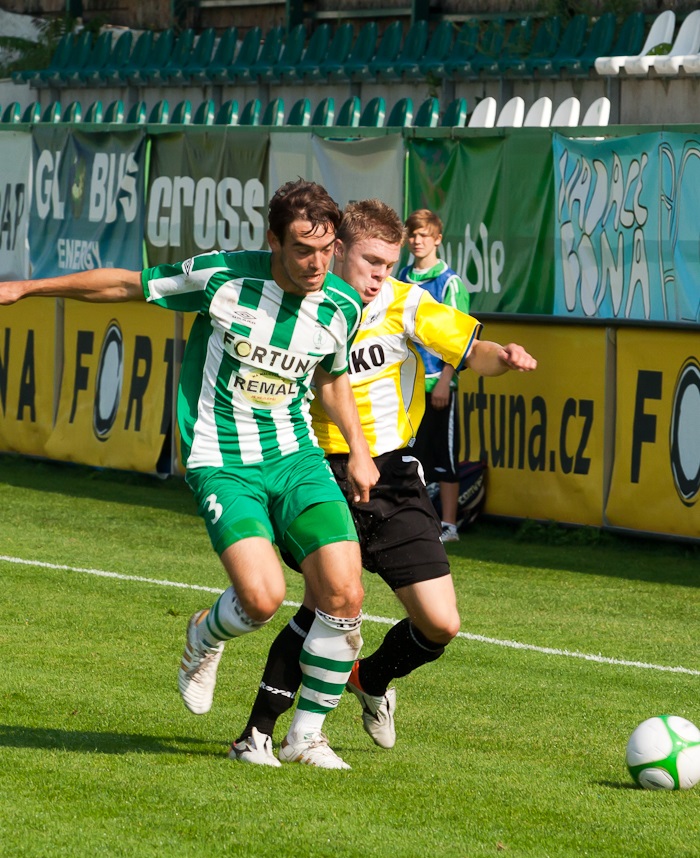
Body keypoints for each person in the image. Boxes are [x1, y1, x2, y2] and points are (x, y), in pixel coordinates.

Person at [0, 179, 379, 772]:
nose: (318, 263)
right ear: (273, 240)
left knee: (345, 594)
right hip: (222, 458)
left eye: (327, 249)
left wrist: (358, 449)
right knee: (262, 599)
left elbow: (331, 378)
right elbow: (126, 284)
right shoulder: (224, 278)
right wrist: (28, 286)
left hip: (297, 457)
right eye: (304, 249)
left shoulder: (341, 303)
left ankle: (306, 736)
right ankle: (205, 635)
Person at [230, 199, 537, 765]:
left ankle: (371, 679)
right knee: (326, 603)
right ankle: (262, 734)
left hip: (393, 475)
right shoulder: (304, 303)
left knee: (441, 623)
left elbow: (471, 351)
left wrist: (505, 355)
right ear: (338, 250)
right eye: (371, 261)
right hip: (314, 466)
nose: (380, 276)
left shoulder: (407, 304)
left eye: (389, 266)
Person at [398, 209, 471, 544]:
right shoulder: (400, 275)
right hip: (403, 384)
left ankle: (449, 525)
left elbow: (459, 338)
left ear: (437, 239)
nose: (417, 241)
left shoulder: (450, 283)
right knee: (408, 455)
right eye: (412, 234)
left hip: (435, 383)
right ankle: (413, 521)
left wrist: (445, 379)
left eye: (424, 235)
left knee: (444, 456)